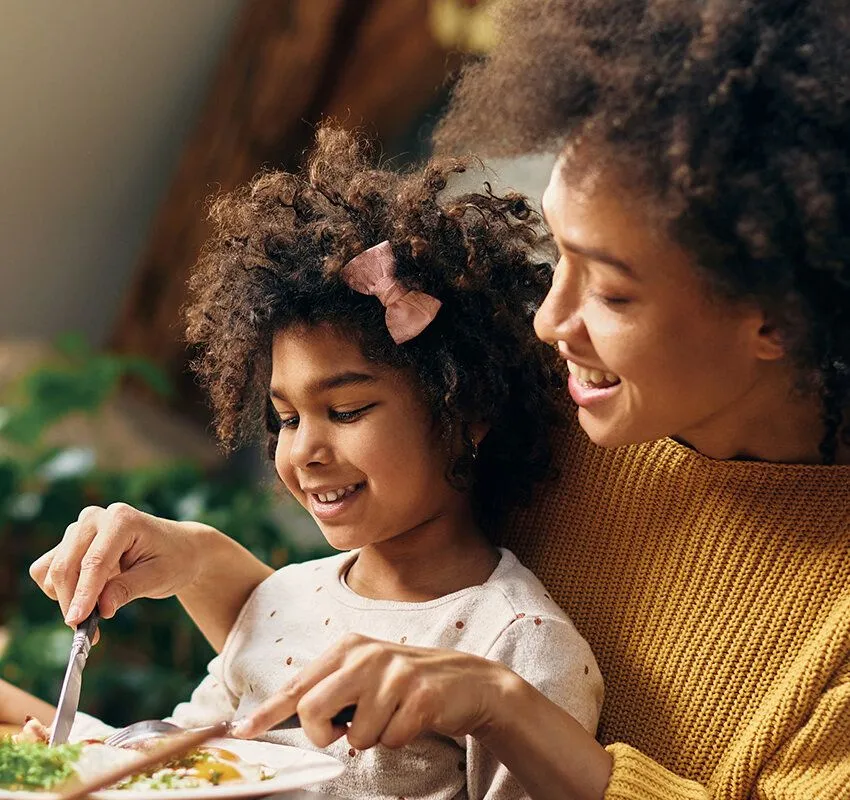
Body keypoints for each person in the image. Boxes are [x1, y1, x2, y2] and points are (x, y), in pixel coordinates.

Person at [24, 0, 850, 797]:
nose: (550, 319)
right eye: (559, 256)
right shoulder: (563, 404)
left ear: (777, 314)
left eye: (614, 292)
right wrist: (201, 562)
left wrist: (505, 707)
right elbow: (379, 630)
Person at [4, 125, 603, 800]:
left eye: (346, 412)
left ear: (465, 413)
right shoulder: (282, 598)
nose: (306, 452)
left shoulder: (517, 644)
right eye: (286, 419)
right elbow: (177, 761)